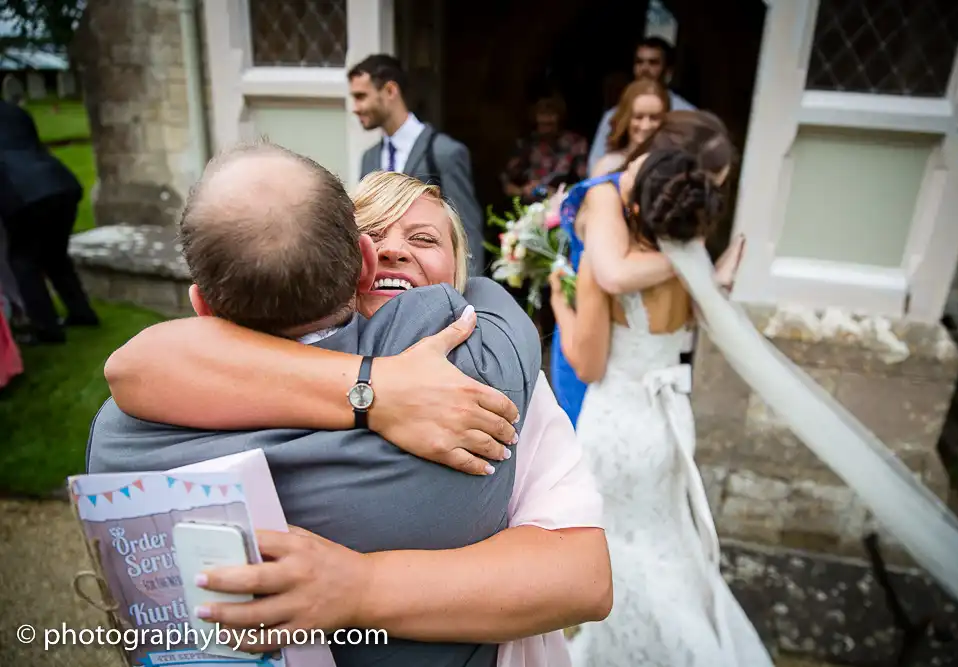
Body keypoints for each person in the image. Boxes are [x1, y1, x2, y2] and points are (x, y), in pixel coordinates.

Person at [91, 150, 611, 666]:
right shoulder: (194, 377)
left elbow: (582, 578)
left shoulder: (490, 385)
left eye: (424, 238)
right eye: (375, 235)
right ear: (356, 263)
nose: (395, 251)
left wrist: (361, 589)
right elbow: (140, 364)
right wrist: (374, 389)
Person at [549, 147, 769, 667]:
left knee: (622, 555)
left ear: (639, 208)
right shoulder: (691, 267)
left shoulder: (605, 275)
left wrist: (561, 303)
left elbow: (588, 366)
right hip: (670, 425)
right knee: (666, 544)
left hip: (620, 425)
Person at [550, 110, 744, 426]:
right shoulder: (607, 195)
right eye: (703, 184)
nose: (700, 199)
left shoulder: (681, 215)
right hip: (589, 336)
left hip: (644, 369)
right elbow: (613, 274)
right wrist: (692, 262)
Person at [351, 54, 486, 275]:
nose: (355, 107)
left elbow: (467, 232)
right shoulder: (369, 158)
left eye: (361, 96)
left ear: (390, 90)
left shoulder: (444, 152)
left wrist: (466, 298)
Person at [0, 98, 99, 344]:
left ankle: (46, 328)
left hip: (22, 193)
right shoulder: (13, 111)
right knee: (55, 256)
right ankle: (82, 313)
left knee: (23, 261)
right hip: (59, 182)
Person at [587, 36, 695, 174]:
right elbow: (594, 165)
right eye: (639, 62)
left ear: (668, 70)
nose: (645, 68)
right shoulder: (613, 115)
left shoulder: (687, 114)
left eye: (653, 63)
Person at [500, 94, 589, 205]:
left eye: (550, 122)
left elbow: (586, 183)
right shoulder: (526, 144)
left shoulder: (576, 143)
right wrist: (522, 191)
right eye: (542, 122)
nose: (546, 128)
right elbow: (505, 182)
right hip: (529, 207)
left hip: (563, 204)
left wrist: (555, 193)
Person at [590, 79, 669, 177]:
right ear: (625, 119)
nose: (646, 126)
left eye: (654, 118)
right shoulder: (608, 166)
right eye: (638, 117)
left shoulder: (672, 164)